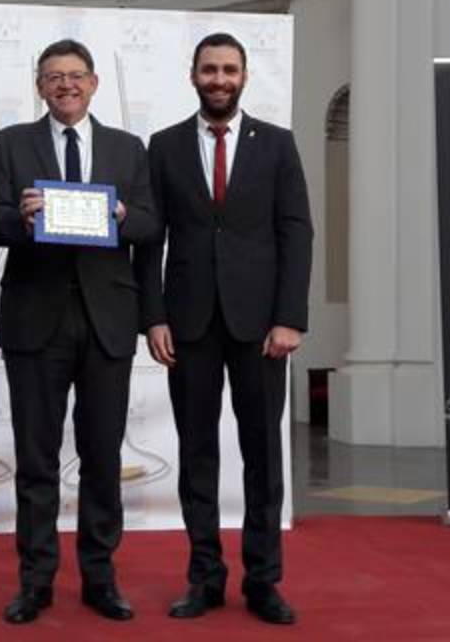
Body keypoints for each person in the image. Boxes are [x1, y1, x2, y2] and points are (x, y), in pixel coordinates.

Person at [134, 32, 313, 625]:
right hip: (187, 325)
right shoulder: (161, 147)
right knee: (197, 454)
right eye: (209, 69)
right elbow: (149, 239)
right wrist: (152, 315)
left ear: (243, 77)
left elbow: (297, 233)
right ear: (192, 76)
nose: (219, 79)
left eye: (229, 69)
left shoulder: (279, 145)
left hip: (263, 328)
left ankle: (264, 580)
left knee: (263, 456)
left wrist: (290, 318)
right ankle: (204, 577)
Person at [0, 38, 158, 624]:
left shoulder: (128, 148)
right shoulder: (13, 143)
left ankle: (100, 577)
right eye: (53, 77)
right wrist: (23, 217)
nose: (66, 85)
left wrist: (124, 216)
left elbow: (154, 223)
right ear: (39, 86)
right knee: (36, 459)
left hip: (107, 320)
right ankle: (35, 581)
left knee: (101, 457)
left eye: (76, 75)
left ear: (93, 83)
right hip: (36, 320)